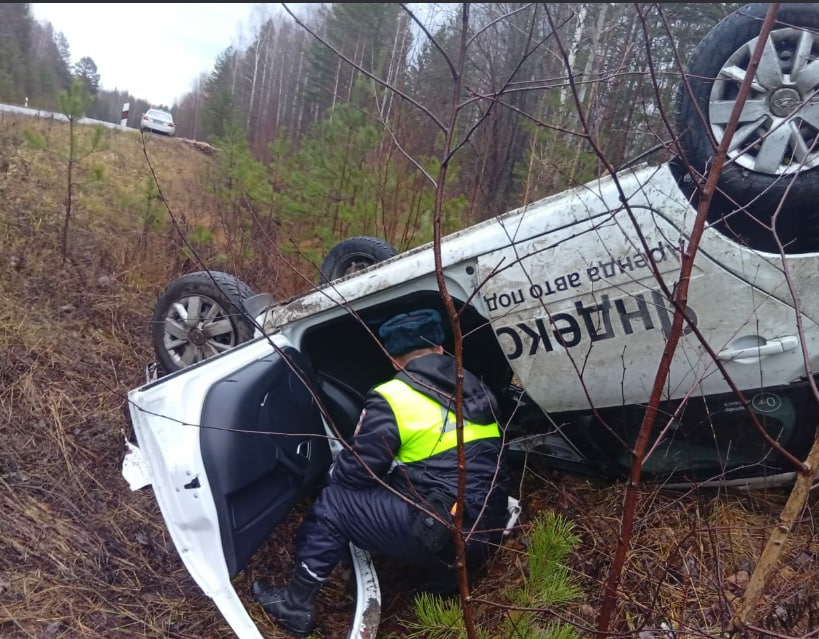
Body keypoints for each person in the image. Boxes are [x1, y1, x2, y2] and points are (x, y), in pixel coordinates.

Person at [251, 308, 511, 637]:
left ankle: (295, 606)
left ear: (391, 359)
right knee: (432, 485)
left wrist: (334, 473)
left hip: (448, 536)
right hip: (489, 529)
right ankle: (442, 582)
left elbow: (355, 475)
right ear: (440, 349)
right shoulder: (473, 385)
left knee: (334, 504)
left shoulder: (394, 396)